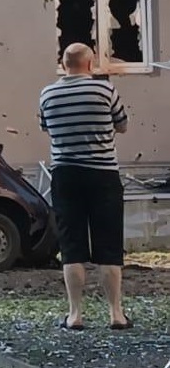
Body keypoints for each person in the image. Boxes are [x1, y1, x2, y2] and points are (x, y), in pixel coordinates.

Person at [39, 42, 131, 330]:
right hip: (103, 175)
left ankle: (75, 314)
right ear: (90, 65)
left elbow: (46, 127)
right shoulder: (104, 90)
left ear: (63, 64)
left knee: (72, 245)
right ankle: (116, 313)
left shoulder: (47, 94)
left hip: (65, 175)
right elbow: (122, 125)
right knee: (109, 244)